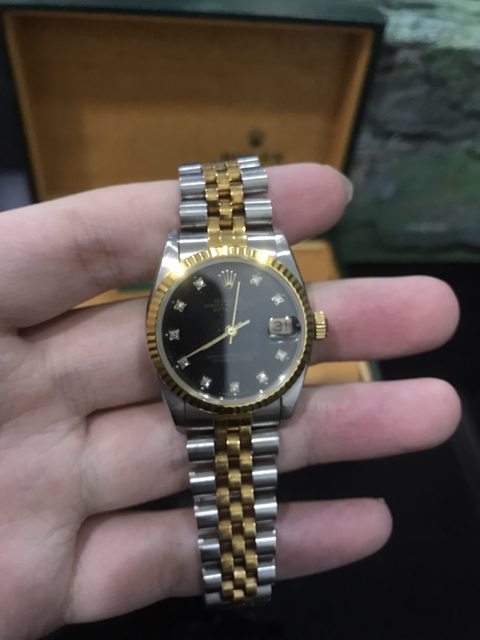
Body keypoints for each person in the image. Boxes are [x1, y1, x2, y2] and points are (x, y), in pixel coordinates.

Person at [0, 164, 460, 639]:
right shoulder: (195, 268)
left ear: (311, 326)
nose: (233, 332)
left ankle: (237, 583)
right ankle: (236, 584)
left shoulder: (247, 263)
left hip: (238, 389)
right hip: (206, 391)